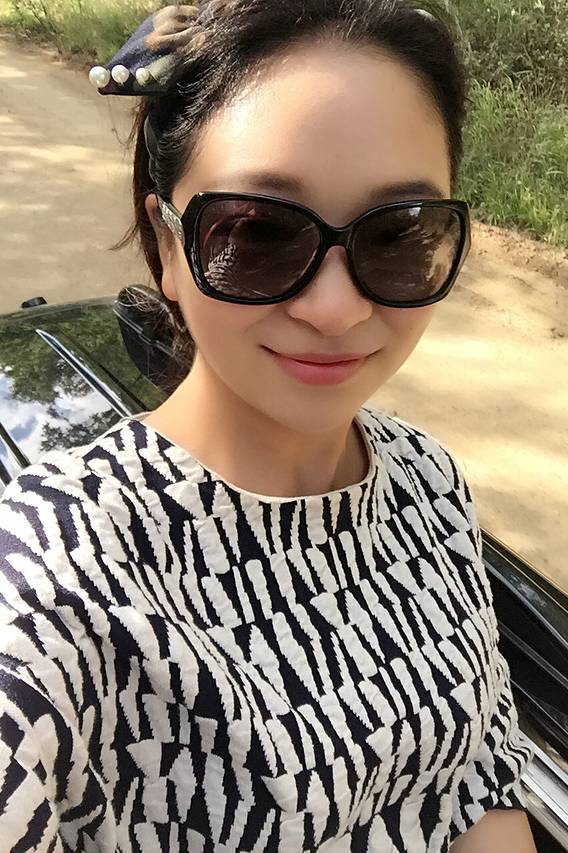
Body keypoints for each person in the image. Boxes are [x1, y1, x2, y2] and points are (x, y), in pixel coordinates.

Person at [0, 1, 536, 850]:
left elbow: (478, 777)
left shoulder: (427, 481)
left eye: (399, 234)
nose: (336, 309)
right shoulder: (54, 576)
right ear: (167, 246)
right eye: (256, 234)